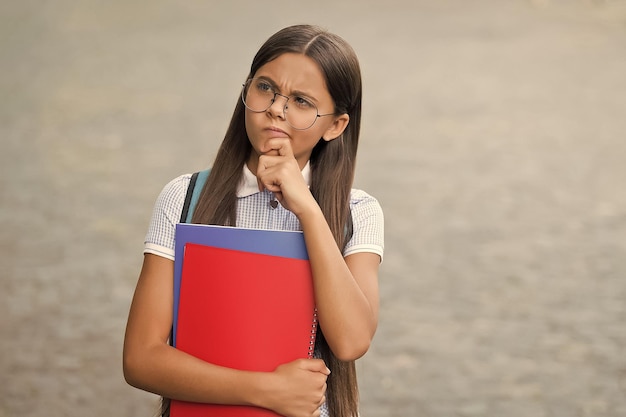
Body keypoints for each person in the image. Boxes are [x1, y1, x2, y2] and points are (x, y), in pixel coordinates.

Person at [123, 24, 384, 417]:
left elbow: (350, 341)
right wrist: (267, 390)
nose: (276, 108)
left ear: (336, 125)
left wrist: (309, 211)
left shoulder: (357, 212)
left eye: (301, 101)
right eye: (265, 88)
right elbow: (140, 358)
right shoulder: (185, 198)